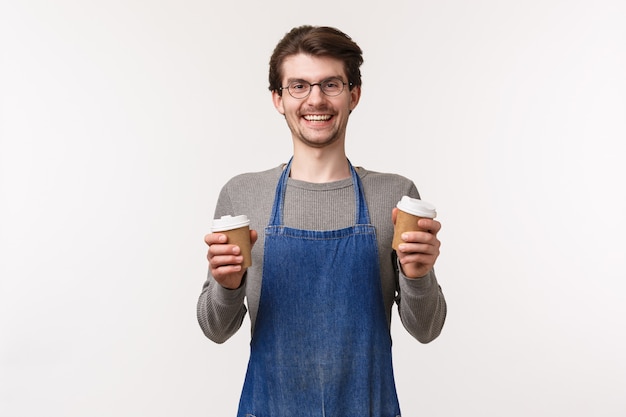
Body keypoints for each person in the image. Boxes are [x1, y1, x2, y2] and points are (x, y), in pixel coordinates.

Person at [197, 25, 446, 416]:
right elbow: (216, 329)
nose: (316, 99)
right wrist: (228, 287)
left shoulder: (395, 196)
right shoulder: (243, 195)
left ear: (354, 95)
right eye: (299, 86)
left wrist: (417, 276)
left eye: (330, 84)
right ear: (278, 99)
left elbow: (426, 329)